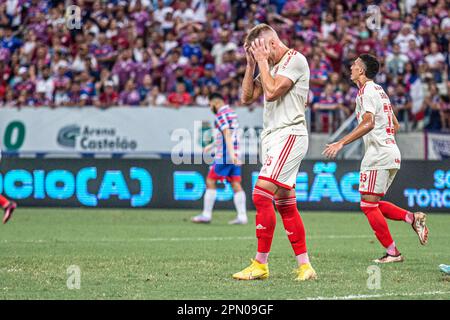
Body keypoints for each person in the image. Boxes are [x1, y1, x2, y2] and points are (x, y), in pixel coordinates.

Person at [323, 54, 429, 263]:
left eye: (354, 64)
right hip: (390, 152)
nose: (351, 67)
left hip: (378, 155)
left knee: (368, 205)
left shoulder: (365, 93)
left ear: (361, 71)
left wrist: (341, 143)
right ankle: (412, 218)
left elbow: (369, 122)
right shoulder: (379, 90)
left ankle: (393, 253)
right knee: (372, 203)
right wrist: (383, 139)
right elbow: (395, 125)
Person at [233, 24, 316, 281]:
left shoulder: (295, 60)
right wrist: (250, 65)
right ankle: (305, 267)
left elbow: (270, 92)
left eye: (258, 48)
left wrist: (262, 62)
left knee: (260, 194)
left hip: (290, 134)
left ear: (270, 43)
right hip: (272, 137)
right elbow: (247, 97)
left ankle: (260, 263)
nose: (259, 55)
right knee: (285, 204)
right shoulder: (270, 65)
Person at [191, 92, 247, 225]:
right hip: (236, 153)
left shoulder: (220, 115)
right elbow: (228, 135)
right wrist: (211, 146)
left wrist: (231, 155)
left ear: (216, 103)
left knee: (210, 180)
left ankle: (206, 215)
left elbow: (227, 134)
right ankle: (242, 216)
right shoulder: (231, 113)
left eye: (210, 105)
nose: (210, 108)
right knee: (235, 183)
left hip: (226, 155)